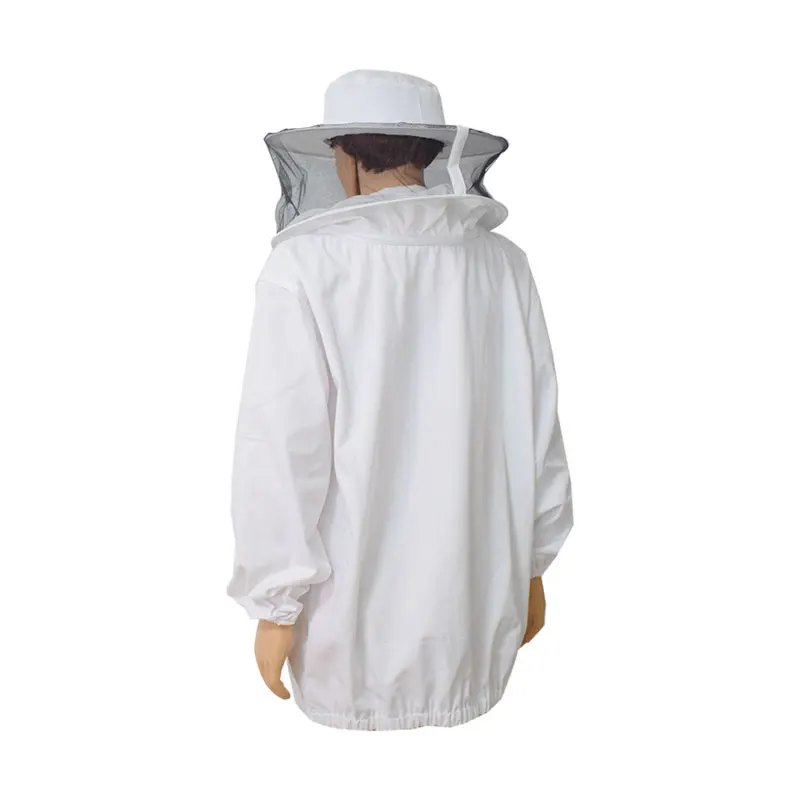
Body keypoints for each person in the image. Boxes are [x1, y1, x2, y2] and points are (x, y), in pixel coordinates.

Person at [227, 69, 574, 730]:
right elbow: (538, 427)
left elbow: (280, 447)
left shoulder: (305, 266)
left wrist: (276, 608)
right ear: (429, 152)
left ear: (345, 155)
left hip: (346, 649)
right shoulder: (502, 263)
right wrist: (532, 566)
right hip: (479, 625)